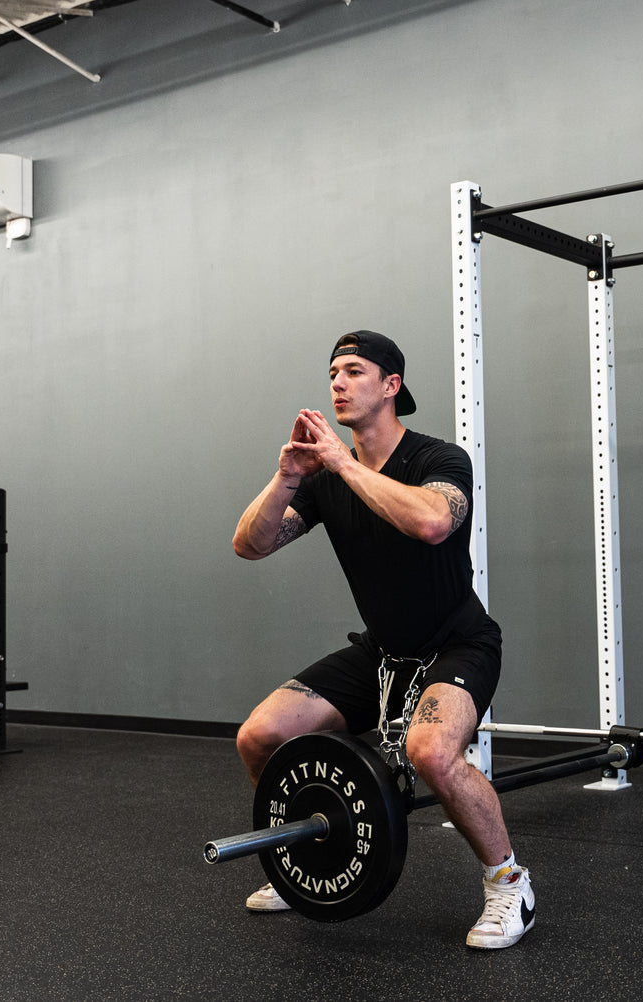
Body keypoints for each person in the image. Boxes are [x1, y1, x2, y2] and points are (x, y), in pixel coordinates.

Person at [230, 330, 534, 950]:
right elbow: (250, 545)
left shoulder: (439, 459)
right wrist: (286, 478)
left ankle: (510, 884)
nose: (337, 384)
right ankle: (297, 856)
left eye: (353, 371)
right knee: (259, 735)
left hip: (458, 643)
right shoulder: (322, 477)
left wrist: (342, 464)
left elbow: (433, 522)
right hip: (381, 651)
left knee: (431, 752)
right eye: (332, 374)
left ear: (391, 385)